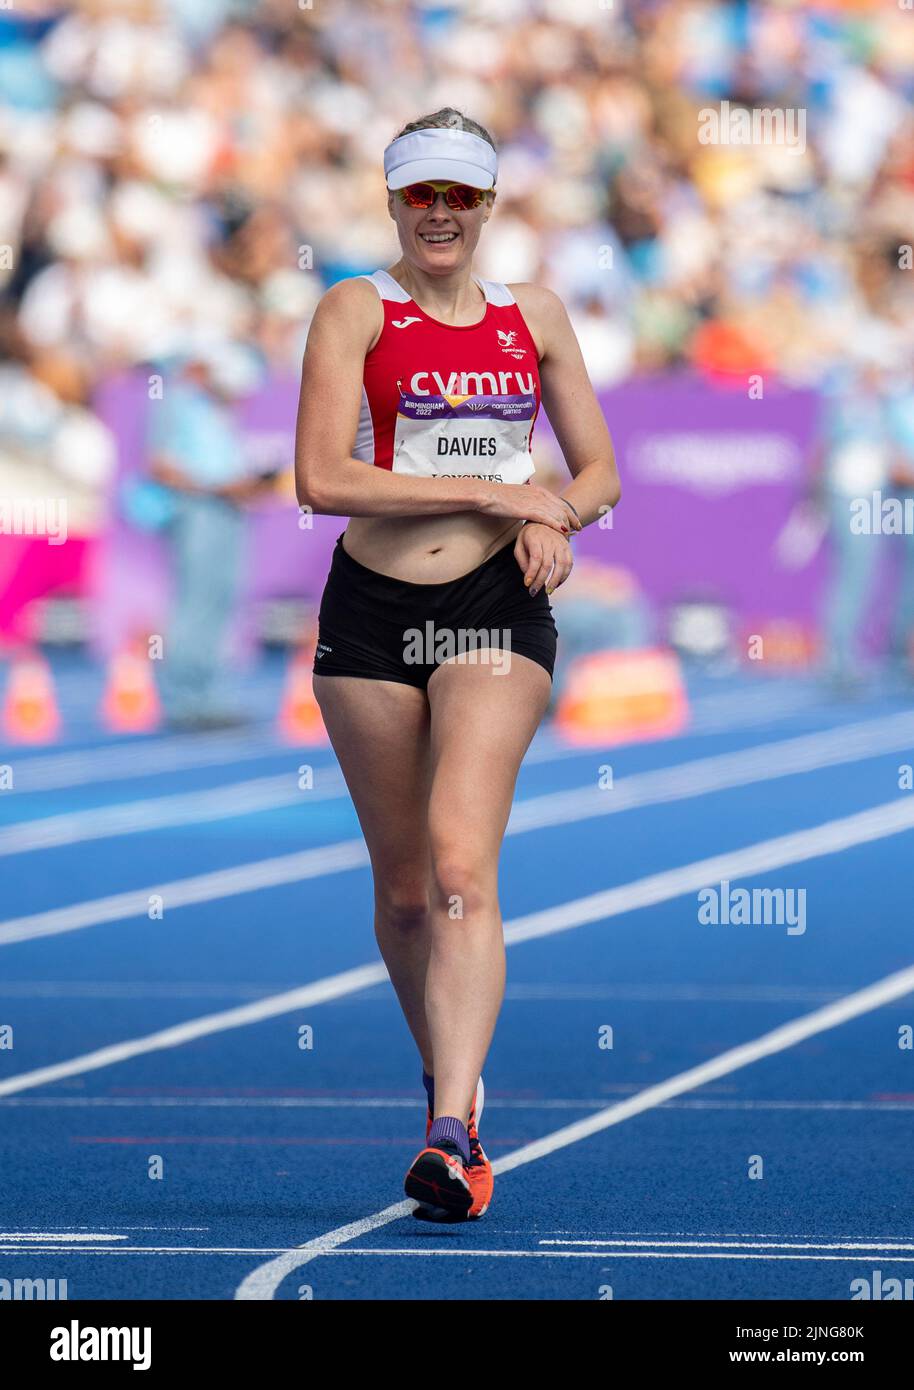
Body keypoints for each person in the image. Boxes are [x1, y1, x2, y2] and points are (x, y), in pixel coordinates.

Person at [295, 109, 620, 1220]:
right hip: (372, 610)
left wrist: (558, 518)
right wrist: (498, 492)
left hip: (496, 608)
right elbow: (322, 480)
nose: (440, 213)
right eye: (420, 194)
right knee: (398, 897)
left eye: (460, 195)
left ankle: (448, 1135)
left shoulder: (534, 314)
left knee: (455, 867)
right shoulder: (353, 309)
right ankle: (456, 1088)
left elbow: (597, 467)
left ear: (488, 206)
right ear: (391, 201)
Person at [146, 346, 274, 729]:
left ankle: (210, 696)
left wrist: (242, 486)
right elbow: (161, 466)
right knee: (196, 604)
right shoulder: (177, 403)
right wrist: (217, 487)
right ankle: (183, 698)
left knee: (221, 602)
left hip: (227, 512)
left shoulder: (218, 411)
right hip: (199, 512)